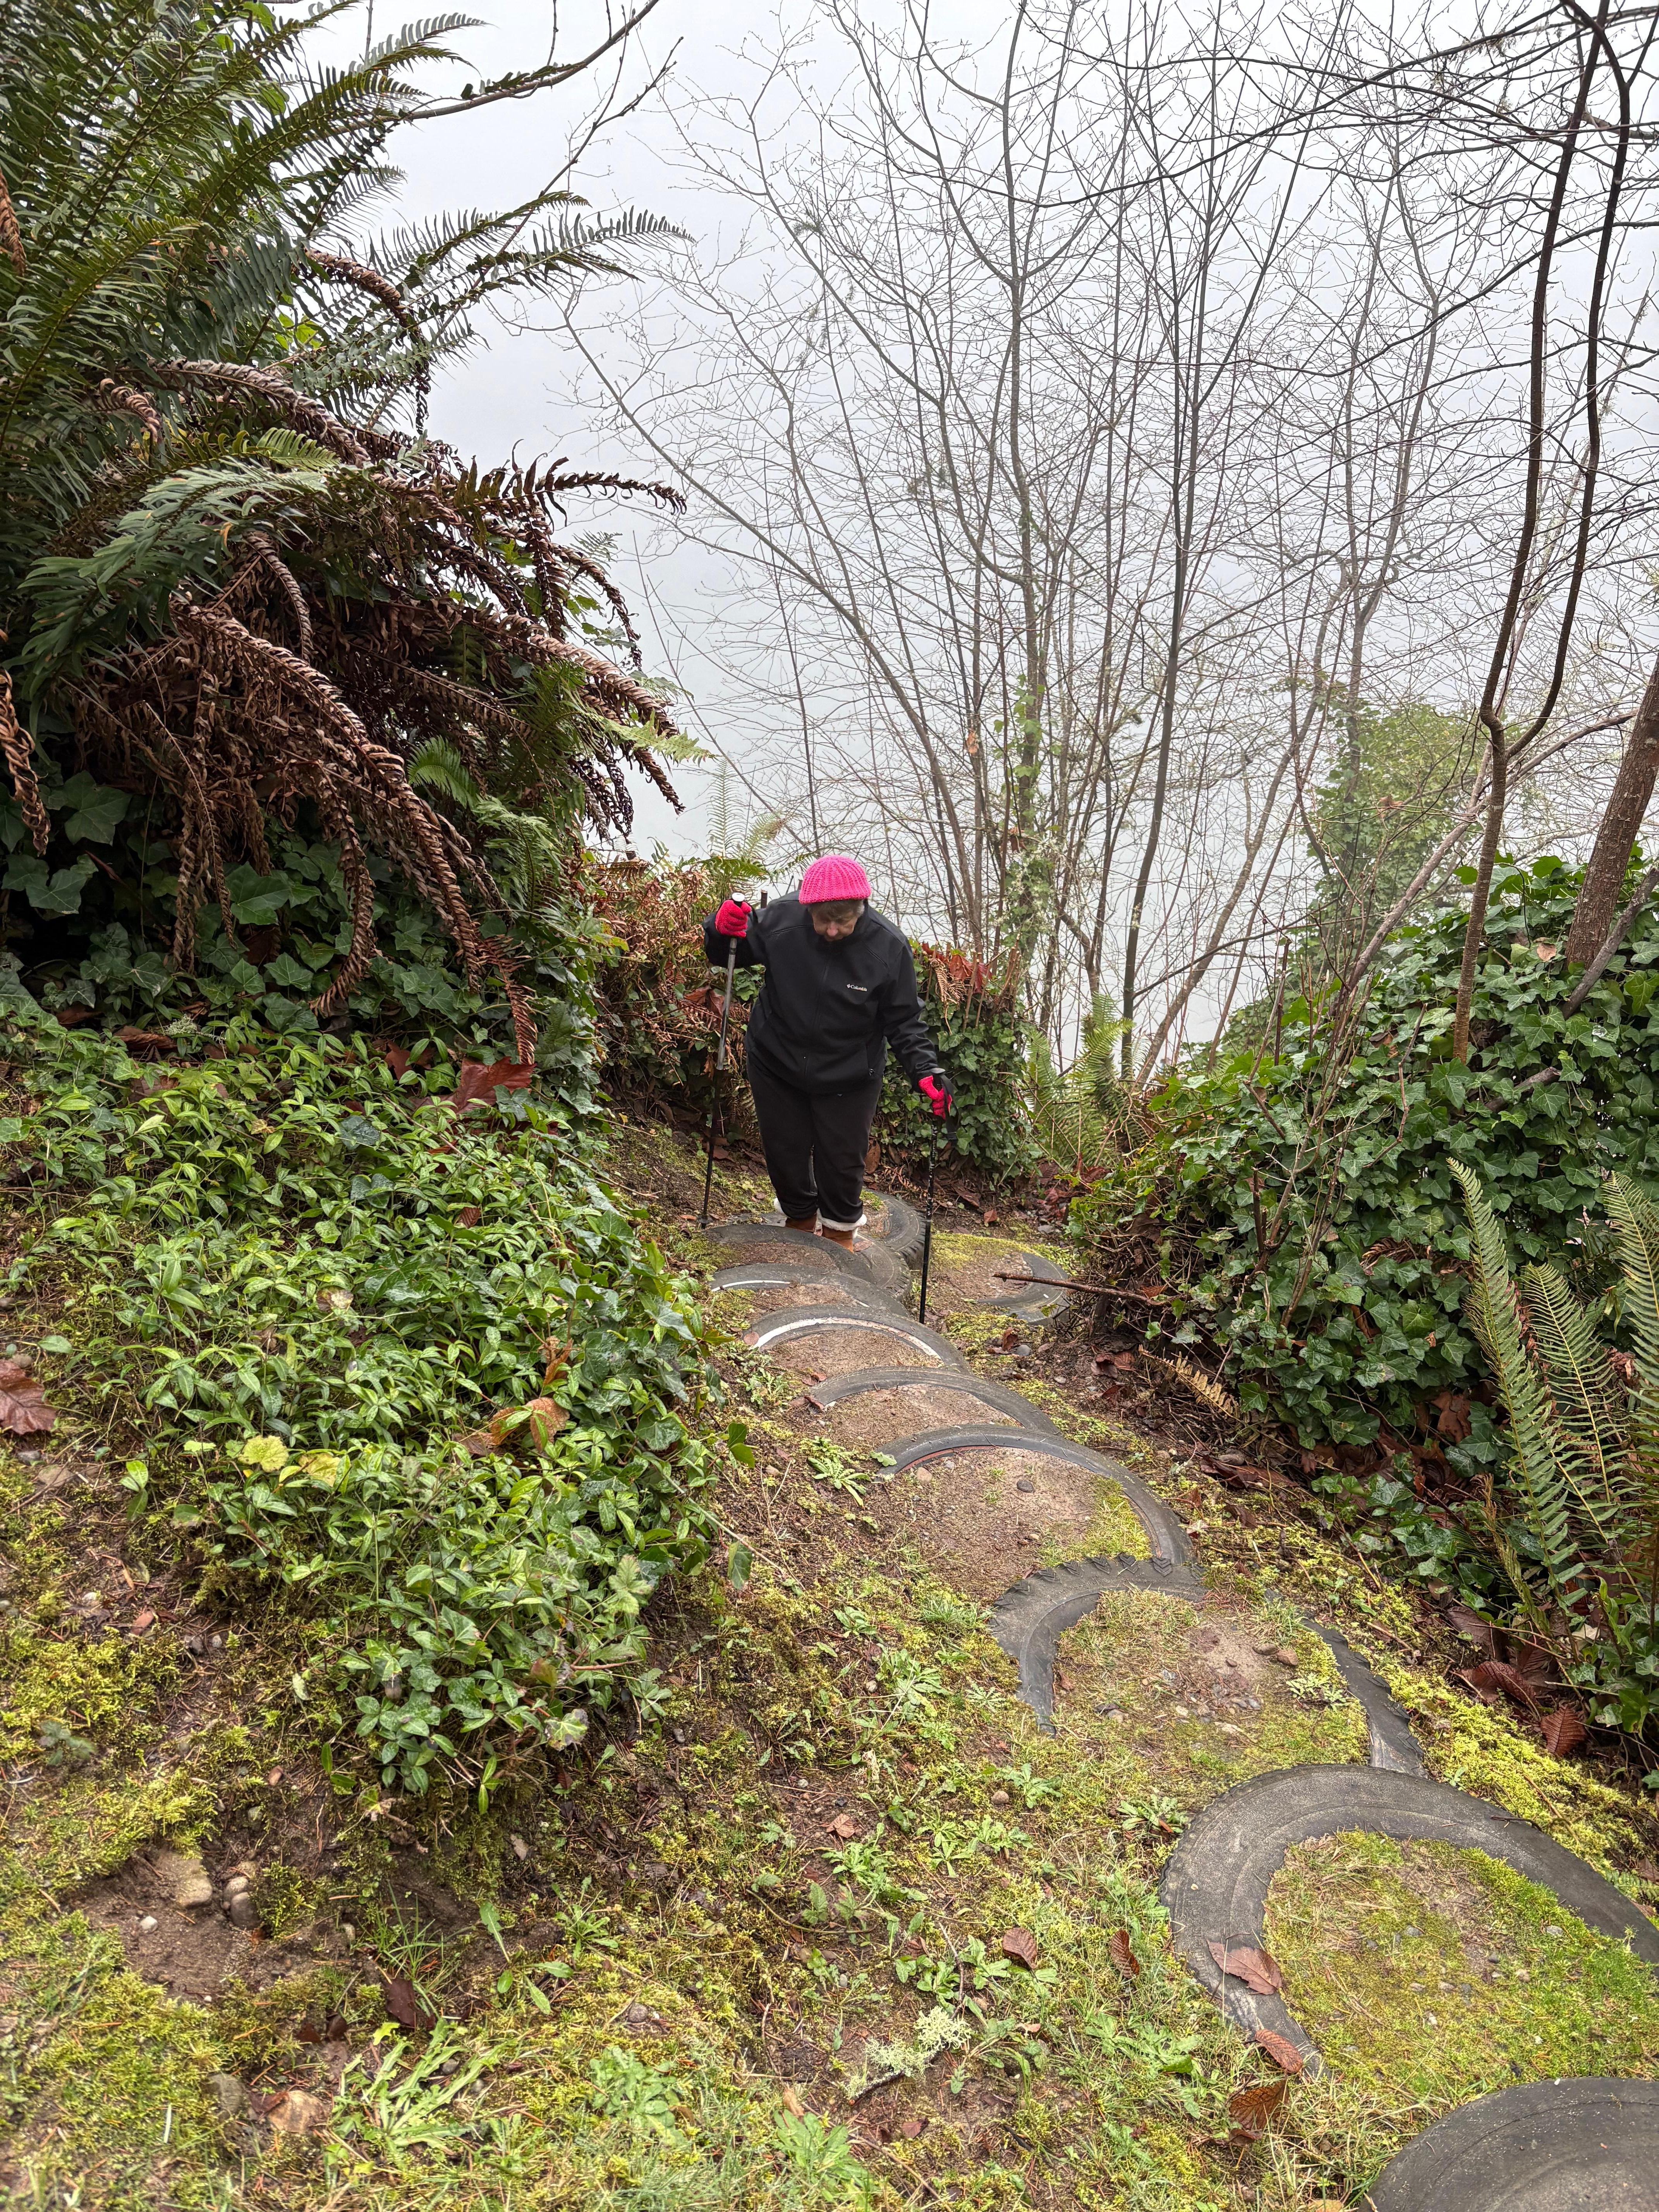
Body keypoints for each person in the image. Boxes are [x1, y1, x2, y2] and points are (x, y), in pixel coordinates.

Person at [702, 855, 952, 1247]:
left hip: (850, 1073)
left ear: (861, 908)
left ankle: (839, 1238)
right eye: (823, 919)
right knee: (784, 1150)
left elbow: (904, 1021)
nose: (832, 930)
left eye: (844, 920)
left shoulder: (888, 947)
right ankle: (799, 1225)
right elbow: (728, 950)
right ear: (808, 907)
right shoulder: (782, 920)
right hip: (776, 1058)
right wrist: (719, 928)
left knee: (842, 1160)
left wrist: (925, 1070)